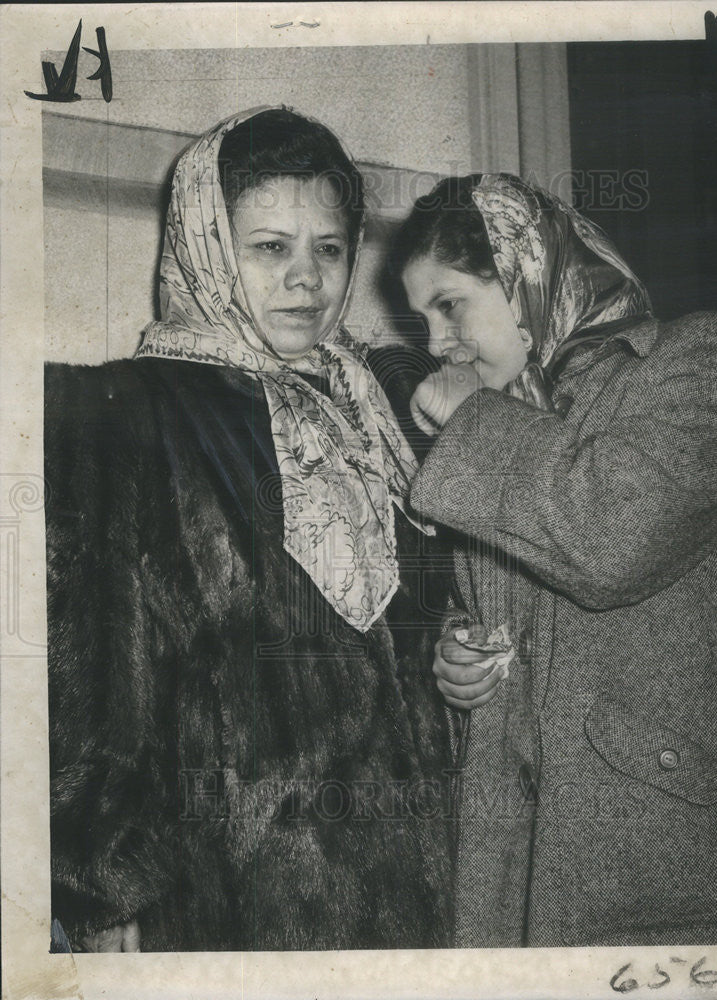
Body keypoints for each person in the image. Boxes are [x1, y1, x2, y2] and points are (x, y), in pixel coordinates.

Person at [45, 107, 455, 952]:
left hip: (427, 874)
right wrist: (103, 887)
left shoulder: (377, 404)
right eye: (271, 247)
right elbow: (93, 670)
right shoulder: (126, 412)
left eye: (329, 249)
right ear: (204, 244)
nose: (307, 280)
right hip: (240, 893)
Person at [389, 173, 717, 947]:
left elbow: (611, 538)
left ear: (529, 274)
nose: (435, 344)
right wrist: (459, 653)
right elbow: (525, 610)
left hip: (668, 871)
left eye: (450, 305)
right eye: (421, 318)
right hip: (518, 873)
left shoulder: (707, 362)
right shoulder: (504, 425)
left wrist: (469, 415)